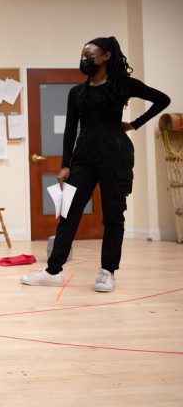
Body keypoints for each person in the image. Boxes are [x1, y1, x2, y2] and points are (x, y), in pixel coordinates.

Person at [21, 36, 170, 292]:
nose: (84, 59)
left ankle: (107, 271)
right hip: (83, 158)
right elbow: (70, 130)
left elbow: (162, 100)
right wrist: (65, 164)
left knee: (114, 216)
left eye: (89, 55)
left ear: (106, 56)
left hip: (116, 155)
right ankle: (53, 270)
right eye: (82, 55)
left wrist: (135, 124)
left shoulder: (123, 85)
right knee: (68, 214)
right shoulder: (77, 92)